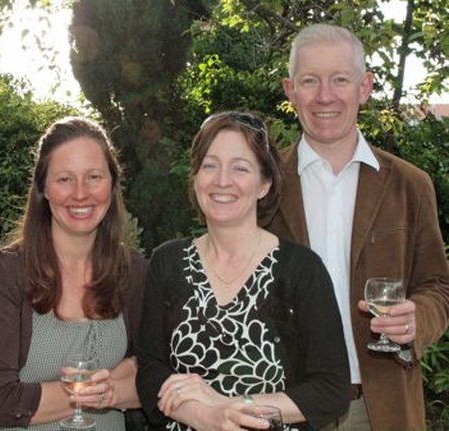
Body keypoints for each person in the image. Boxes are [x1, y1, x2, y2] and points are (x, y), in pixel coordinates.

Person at [265, 23, 449, 431]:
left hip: (381, 407)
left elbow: (438, 285)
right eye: (310, 80)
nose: (325, 96)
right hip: (284, 405)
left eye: (340, 80)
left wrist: (420, 317)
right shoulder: (262, 185)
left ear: (364, 87)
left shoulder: (410, 185)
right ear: (290, 90)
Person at [136, 111, 350, 431]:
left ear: (264, 183)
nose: (222, 180)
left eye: (240, 167)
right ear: (195, 178)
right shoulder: (166, 263)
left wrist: (228, 407)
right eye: (210, 165)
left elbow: (331, 390)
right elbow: (150, 370)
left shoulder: (301, 270)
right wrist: (207, 417)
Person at [0, 116, 147, 431]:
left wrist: (131, 380)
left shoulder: (132, 270)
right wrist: (102, 391)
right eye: (64, 179)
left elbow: (154, 376)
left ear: (112, 182)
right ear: (43, 188)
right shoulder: (5, 273)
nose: (80, 194)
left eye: (94, 176)